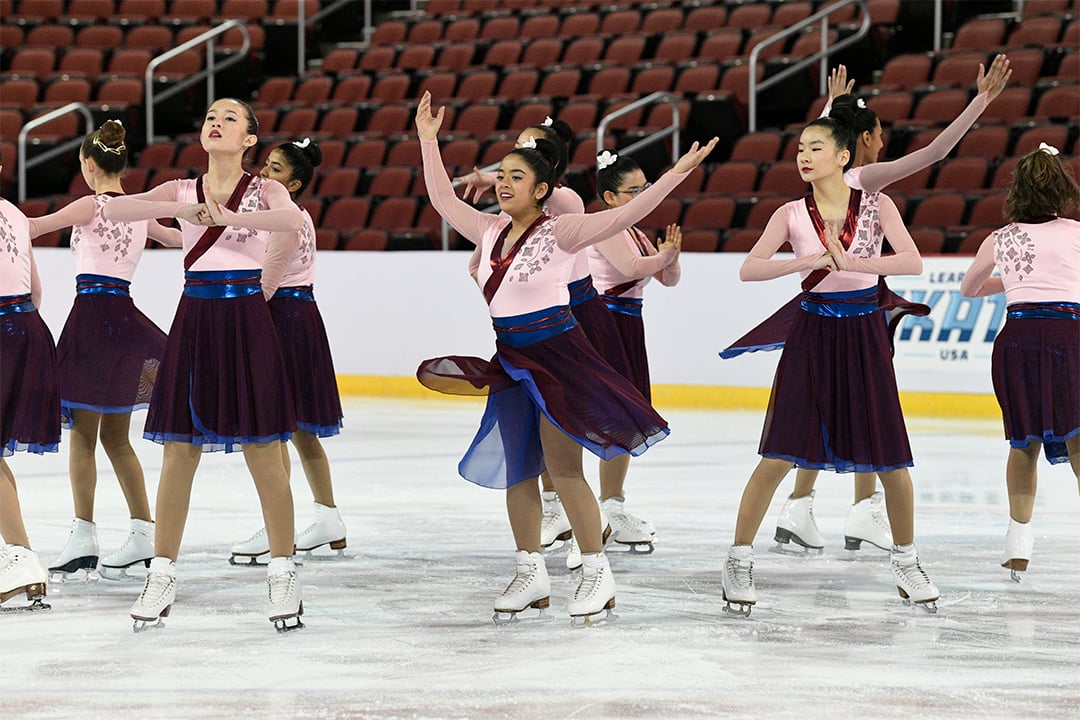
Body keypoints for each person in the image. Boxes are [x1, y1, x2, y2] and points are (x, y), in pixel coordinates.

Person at [414, 91, 716, 624]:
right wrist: (428, 140)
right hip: (510, 358)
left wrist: (676, 174)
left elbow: (632, 209)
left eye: (515, 177)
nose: (502, 183)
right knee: (519, 472)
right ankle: (530, 572)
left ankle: (597, 572)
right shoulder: (487, 232)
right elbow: (442, 200)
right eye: (500, 174)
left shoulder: (564, 231)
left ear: (542, 189)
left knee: (564, 469)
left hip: (560, 356)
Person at [764, 55, 1013, 555]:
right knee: (860, 406)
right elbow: (937, 151)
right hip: (854, 307)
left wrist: (832, 102)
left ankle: (810, 505)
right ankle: (857, 510)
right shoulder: (864, 180)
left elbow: (825, 136)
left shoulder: (824, 187)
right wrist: (981, 99)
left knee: (829, 402)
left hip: (842, 302)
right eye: (875, 134)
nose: (881, 142)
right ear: (862, 142)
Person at [720, 113, 939, 616]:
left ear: (843, 157)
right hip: (813, 332)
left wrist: (856, 264)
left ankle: (906, 559)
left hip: (864, 333)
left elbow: (911, 261)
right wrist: (809, 261)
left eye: (815, 147)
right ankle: (738, 558)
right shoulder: (790, 214)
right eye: (799, 148)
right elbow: (750, 268)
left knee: (890, 456)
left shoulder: (877, 206)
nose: (803, 155)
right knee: (777, 453)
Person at [102, 98, 306, 632]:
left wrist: (233, 217)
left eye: (229, 119)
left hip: (245, 319)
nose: (215, 122)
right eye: (210, 116)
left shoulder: (265, 190)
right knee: (178, 451)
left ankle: (283, 570)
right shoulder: (180, 189)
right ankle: (163, 572)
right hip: (195, 317)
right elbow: (113, 208)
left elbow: (294, 220)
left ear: (248, 142)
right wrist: (175, 211)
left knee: (265, 449)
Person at [26, 120, 181, 582]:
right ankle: (142, 532)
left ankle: (83, 535)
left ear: (88, 165)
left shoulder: (89, 204)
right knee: (117, 439)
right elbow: (180, 239)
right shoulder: (140, 212)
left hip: (92, 323)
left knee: (83, 437)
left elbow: (33, 225)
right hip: (125, 323)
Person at [959, 143, 1080, 582]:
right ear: (1061, 187)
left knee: (1022, 443)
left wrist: (1011, 283)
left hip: (1018, 340)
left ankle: (1018, 544)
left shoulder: (1001, 238)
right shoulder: (1076, 232)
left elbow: (969, 289)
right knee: (1079, 440)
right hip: (1069, 337)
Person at [229, 137, 347, 565]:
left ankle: (282, 522)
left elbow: (268, 278)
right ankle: (327, 515)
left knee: (275, 425)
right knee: (298, 429)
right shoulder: (287, 214)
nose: (262, 173)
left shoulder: (284, 218)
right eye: (265, 165)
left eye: (275, 169)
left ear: (293, 183)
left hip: (280, 318)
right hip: (296, 318)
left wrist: (236, 319)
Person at [577, 150, 683, 562]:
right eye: (633, 191)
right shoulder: (604, 227)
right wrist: (663, 256)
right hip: (601, 325)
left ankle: (612, 507)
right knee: (597, 416)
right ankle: (571, 509)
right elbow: (634, 267)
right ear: (609, 197)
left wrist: (671, 257)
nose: (643, 196)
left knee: (624, 419)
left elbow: (666, 278)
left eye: (645, 188)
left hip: (628, 326)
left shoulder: (637, 230)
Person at [0, 145, 58, 612]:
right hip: (26, 327)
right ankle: (20, 555)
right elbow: (36, 291)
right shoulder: (15, 213)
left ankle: (19, 556)